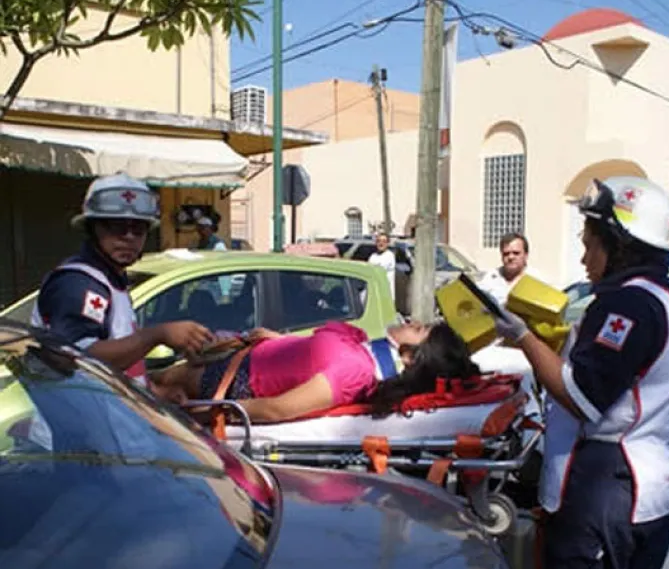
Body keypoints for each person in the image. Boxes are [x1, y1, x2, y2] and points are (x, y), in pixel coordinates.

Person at [490, 176, 669, 569]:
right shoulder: (664, 294)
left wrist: (523, 337)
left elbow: (581, 396)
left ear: (620, 245)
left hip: (611, 487)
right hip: (648, 486)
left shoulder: (628, 304)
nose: (584, 257)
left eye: (590, 243)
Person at [31, 172, 215, 386]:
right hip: (70, 417)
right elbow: (78, 359)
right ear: (92, 228)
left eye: (138, 229)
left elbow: (120, 368)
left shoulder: (113, 280)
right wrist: (157, 335)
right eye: (117, 227)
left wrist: (156, 393)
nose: (128, 237)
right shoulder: (77, 283)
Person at [150, 319, 480, 423]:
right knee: (144, 382)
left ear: (409, 357)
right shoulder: (361, 348)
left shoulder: (356, 373)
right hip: (239, 360)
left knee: (143, 389)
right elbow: (313, 354)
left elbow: (279, 407)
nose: (413, 321)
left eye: (420, 329)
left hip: (230, 380)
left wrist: (210, 411)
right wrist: (282, 341)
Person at [477, 232, 532, 307]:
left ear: (526, 255)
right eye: (506, 253)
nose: (510, 257)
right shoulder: (490, 278)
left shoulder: (537, 280)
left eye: (516, 253)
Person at [367, 232, 396, 298]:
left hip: (387, 295)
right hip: (375, 293)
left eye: (384, 241)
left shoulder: (389, 255)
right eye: (378, 241)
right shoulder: (373, 256)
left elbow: (378, 270)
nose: (381, 243)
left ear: (388, 243)